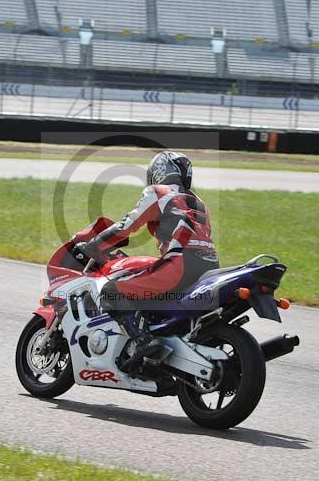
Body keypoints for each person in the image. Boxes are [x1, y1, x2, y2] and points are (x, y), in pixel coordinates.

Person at [74, 151, 219, 373]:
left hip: (179, 265)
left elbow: (127, 225)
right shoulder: (199, 203)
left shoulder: (159, 192)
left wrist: (94, 244)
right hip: (209, 267)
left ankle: (144, 343)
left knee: (112, 291)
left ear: (158, 172)